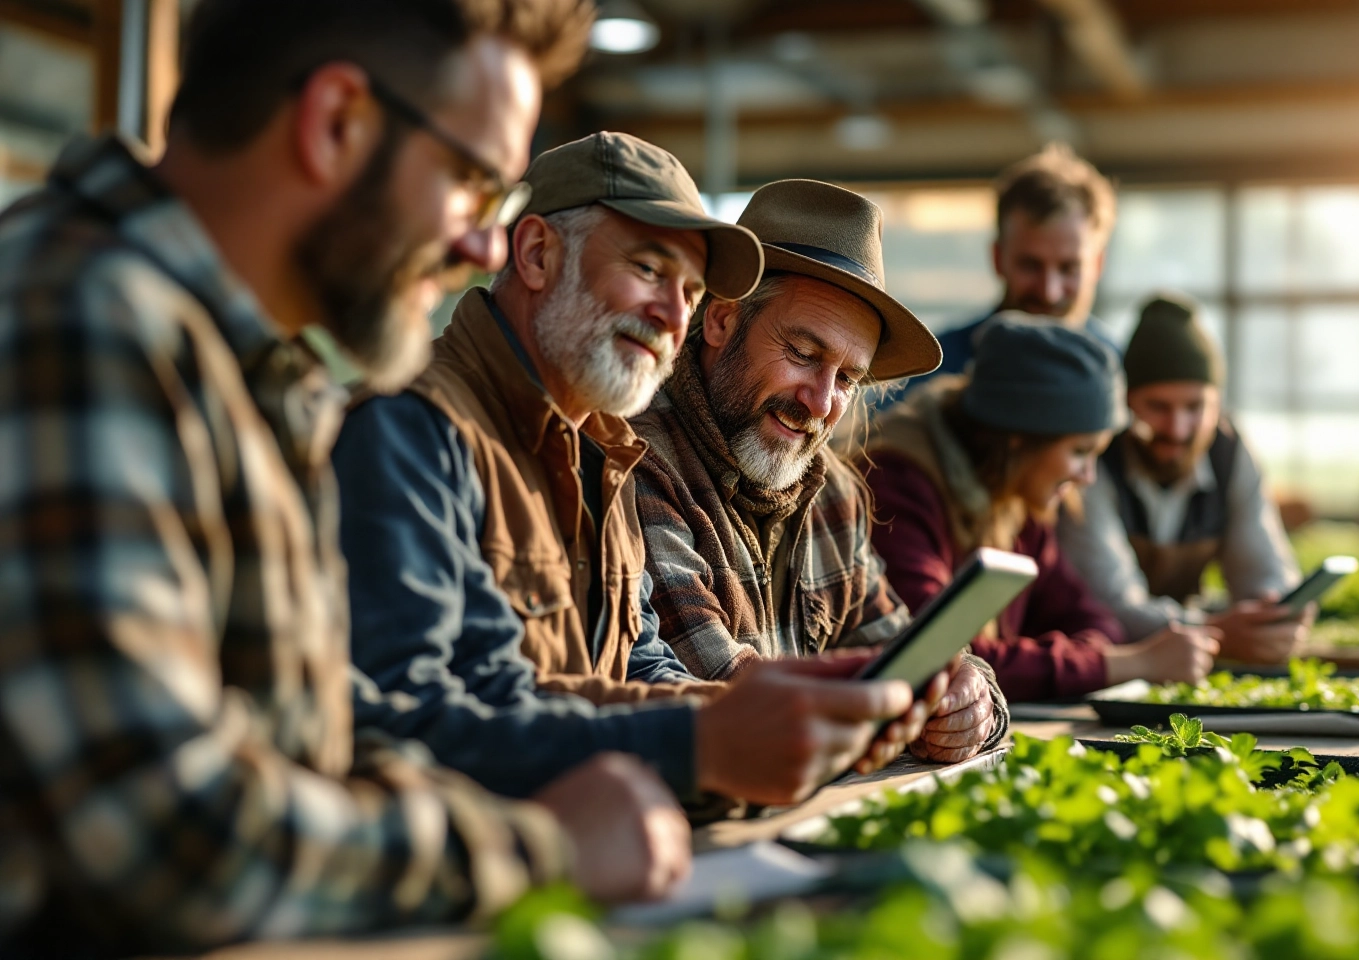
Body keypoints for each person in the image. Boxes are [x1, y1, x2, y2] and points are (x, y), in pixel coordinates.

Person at [0, 2, 694, 954]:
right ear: (335, 124)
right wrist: (540, 850)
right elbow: (172, 838)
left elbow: (321, 738)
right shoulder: (79, 319)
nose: (485, 248)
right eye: (472, 184)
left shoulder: (263, 369)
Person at [335, 133, 928, 808]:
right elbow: (413, 723)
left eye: (690, 288)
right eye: (649, 269)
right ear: (535, 255)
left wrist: (740, 723)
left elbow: (635, 667)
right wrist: (706, 742)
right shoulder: (410, 429)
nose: (676, 314)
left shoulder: (605, 445)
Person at [632, 179, 1010, 766]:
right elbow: (727, 691)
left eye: (848, 378)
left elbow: (898, 646)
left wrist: (967, 693)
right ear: (723, 322)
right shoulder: (639, 461)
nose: (820, 402)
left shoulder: (831, 488)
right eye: (804, 355)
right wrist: (902, 696)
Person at [858, 317, 1220, 702]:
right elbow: (935, 656)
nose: (1087, 476)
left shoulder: (1015, 496)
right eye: (1080, 452)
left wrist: (1076, 659)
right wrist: (1130, 664)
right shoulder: (896, 488)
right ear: (1019, 438)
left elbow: (1094, 621)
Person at [1058, 293, 1306, 663]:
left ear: (1217, 405)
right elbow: (1112, 604)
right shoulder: (1094, 460)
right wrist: (1218, 632)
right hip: (1106, 663)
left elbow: (1263, 566)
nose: (1177, 428)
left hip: (1185, 664)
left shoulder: (1229, 453)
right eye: (1158, 407)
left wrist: (1276, 613)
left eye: (1195, 407)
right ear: (1125, 403)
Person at [892, 144, 1117, 407]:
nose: (1049, 291)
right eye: (1030, 265)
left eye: (1069, 268)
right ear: (998, 259)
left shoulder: (1126, 375)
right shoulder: (931, 369)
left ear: (1098, 264)